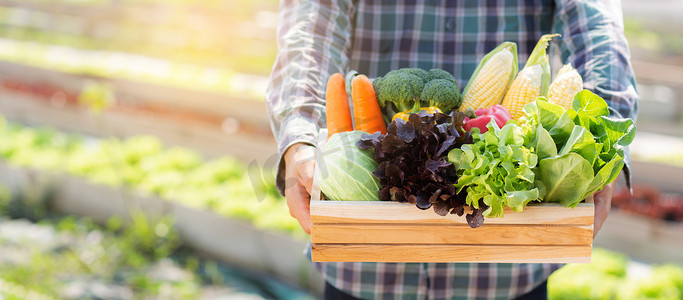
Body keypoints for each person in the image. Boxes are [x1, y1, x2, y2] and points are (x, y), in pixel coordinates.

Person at [265, 1, 638, 299]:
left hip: (506, 260)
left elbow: (597, 28)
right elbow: (310, 26)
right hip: (367, 258)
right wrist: (300, 136)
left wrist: (603, 140)